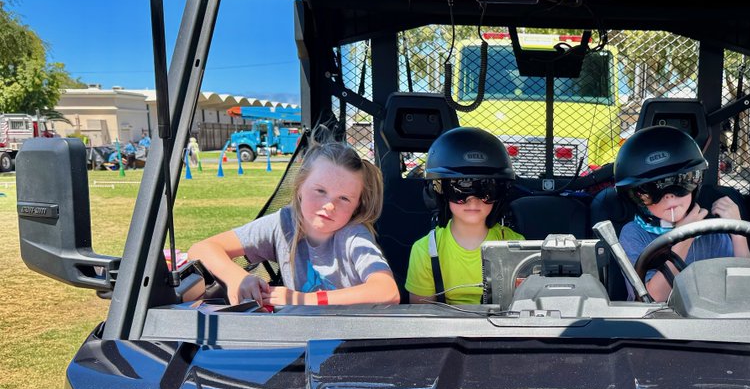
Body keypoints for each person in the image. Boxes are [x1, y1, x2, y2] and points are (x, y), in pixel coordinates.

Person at [189, 140, 399, 307]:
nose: (329, 206)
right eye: (320, 191)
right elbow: (201, 248)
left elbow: (387, 291)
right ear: (299, 187)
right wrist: (237, 278)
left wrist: (302, 300)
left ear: (357, 206)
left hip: (348, 340)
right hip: (299, 335)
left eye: (344, 198)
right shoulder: (283, 223)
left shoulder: (353, 235)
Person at [615, 125, 749, 302]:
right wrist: (684, 236)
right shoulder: (634, 233)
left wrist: (738, 232)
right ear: (636, 197)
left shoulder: (713, 231)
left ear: (696, 182)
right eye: (652, 190)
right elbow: (651, 301)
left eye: (680, 182)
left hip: (712, 322)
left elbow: (746, 290)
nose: (669, 196)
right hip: (659, 325)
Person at [406, 127, 524, 304]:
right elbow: (422, 316)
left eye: (487, 189)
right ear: (439, 193)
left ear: (501, 193)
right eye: (460, 189)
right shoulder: (426, 250)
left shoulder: (516, 246)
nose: (473, 200)